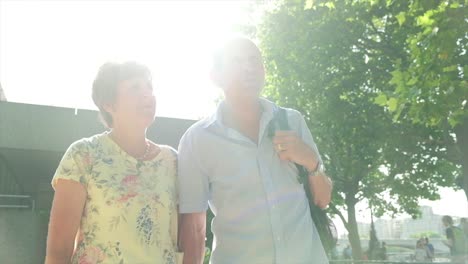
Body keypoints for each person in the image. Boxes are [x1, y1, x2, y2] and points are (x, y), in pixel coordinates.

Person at [178, 37, 333, 263]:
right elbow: (194, 227)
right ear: (216, 76)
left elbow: (323, 199)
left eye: (254, 60)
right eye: (237, 61)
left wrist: (311, 161)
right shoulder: (197, 140)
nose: (248, 68)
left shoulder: (292, 121)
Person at [45, 62, 181, 263]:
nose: (147, 94)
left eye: (149, 87)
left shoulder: (173, 161)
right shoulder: (83, 155)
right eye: (135, 87)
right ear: (109, 104)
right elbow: (59, 249)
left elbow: (182, 241)